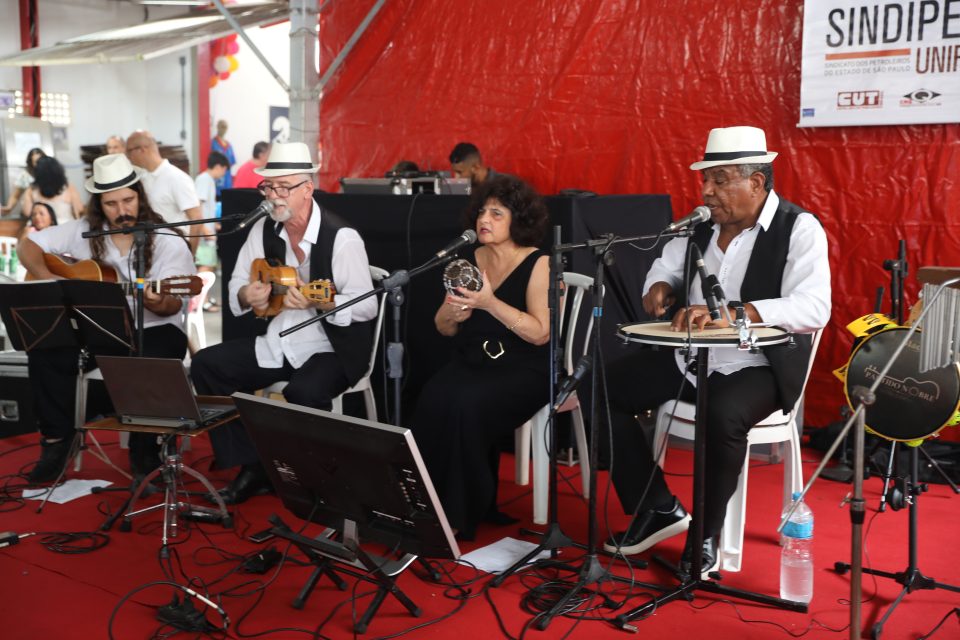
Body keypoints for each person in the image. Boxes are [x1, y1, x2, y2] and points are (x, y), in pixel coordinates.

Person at [602, 126, 831, 575]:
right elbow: (660, 269)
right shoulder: (699, 225)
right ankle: (657, 506)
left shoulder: (798, 228)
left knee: (722, 412)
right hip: (688, 357)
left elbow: (815, 306)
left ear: (757, 182)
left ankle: (704, 533)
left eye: (720, 179)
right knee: (599, 385)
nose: (707, 190)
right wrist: (661, 290)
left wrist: (740, 312)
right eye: (706, 180)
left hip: (759, 363)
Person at [190, 142, 378, 505]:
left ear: (307, 189)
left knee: (304, 392)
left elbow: (367, 305)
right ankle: (254, 466)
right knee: (206, 366)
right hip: (280, 341)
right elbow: (235, 286)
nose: (273, 196)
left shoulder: (342, 238)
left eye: (282, 187)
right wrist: (249, 295)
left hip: (333, 347)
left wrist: (320, 300)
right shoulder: (262, 229)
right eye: (268, 187)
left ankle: (318, 479)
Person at [17, 153, 196, 485]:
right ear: (99, 204)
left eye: (127, 200)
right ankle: (57, 442)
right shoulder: (85, 230)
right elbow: (27, 246)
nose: (122, 210)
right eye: (111, 204)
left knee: (151, 352)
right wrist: (46, 278)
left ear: (139, 196)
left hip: (155, 328)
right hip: (98, 328)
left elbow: (174, 304)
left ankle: (146, 450)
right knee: (45, 349)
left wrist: (157, 302)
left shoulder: (168, 241)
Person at [410, 175, 551, 540]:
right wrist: (454, 315)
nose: (484, 220)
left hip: (526, 367)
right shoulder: (469, 259)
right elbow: (443, 328)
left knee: (466, 403)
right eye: (482, 212)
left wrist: (490, 303)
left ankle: (461, 511)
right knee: (433, 396)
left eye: (497, 213)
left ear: (518, 220)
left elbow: (540, 334)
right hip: (475, 360)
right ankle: (425, 506)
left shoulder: (539, 264)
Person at [125, 130, 203, 253]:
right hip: (152, 251)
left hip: (176, 252)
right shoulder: (142, 178)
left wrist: (190, 255)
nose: (127, 157)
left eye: (129, 151)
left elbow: (197, 219)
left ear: (142, 149)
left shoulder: (176, 178)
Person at [22, 156, 84, 224]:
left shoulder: (31, 190)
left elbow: (27, 212)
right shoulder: (68, 187)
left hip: (41, 230)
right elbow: (79, 209)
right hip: (65, 227)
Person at [1, 147, 44, 216]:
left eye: (40, 161)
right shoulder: (26, 176)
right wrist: (9, 207)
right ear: (31, 163)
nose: (38, 165)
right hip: (31, 213)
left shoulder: (50, 174)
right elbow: (15, 195)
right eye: (35, 162)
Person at [210, 119, 236, 194]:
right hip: (217, 180)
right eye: (222, 127)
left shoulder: (229, 145)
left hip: (227, 180)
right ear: (217, 127)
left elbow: (232, 161)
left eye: (225, 127)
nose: (223, 129)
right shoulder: (212, 143)